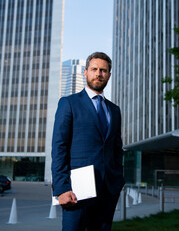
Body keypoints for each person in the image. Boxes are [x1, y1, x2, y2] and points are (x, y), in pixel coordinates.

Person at [51, 52, 125, 231]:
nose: (98, 74)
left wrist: (118, 179)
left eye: (103, 70)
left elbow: (116, 148)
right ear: (85, 72)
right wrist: (61, 189)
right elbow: (59, 147)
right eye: (94, 69)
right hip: (76, 191)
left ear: (109, 75)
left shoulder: (114, 110)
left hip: (108, 190)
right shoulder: (68, 103)